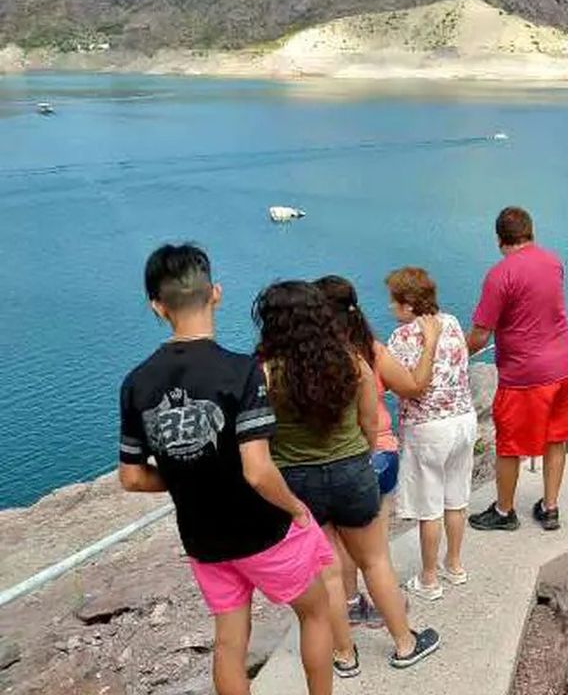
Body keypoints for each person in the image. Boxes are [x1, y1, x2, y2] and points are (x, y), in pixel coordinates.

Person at [118, 245, 333, 695]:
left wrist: (184, 477)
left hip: (203, 539)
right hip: (263, 530)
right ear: (214, 293)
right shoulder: (240, 372)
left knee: (229, 644)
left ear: (157, 307)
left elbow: (133, 477)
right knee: (315, 611)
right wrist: (296, 509)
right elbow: (257, 472)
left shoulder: (136, 383)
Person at [254, 281, 439, 675]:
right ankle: (405, 643)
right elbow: (370, 422)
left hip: (297, 481)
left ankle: (344, 654)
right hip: (352, 470)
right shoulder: (351, 359)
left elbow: (261, 436)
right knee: (375, 562)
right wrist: (358, 454)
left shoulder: (265, 373)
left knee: (328, 573)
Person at [313, 275, 442, 626]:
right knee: (373, 546)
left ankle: (351, 604)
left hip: (323, 461)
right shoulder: (370, 351)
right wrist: (429, 344)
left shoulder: (306, 359)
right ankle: (390, 616)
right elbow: (414, 386)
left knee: (336, 543)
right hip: (376, 453)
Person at [466, 206, 568, 533]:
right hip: (565, 367)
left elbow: (479, 335)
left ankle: (504, 512)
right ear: (531, 232)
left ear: (499, 238)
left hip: (525, 375)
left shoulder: (500, 275)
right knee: (556, 438)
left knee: (509, 445)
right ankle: (550, 507)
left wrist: (450, 353)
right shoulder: (554, 262)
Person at [385, 267, 477, 601]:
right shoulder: (451, 322)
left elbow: (400, 382)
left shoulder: (403, 337)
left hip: (428, 428)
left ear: (409, 305)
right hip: (464, 420)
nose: (390, 308)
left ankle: (428, 579)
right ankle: (454, 566)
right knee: (456, 498)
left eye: (394, 302)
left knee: (430, 506)